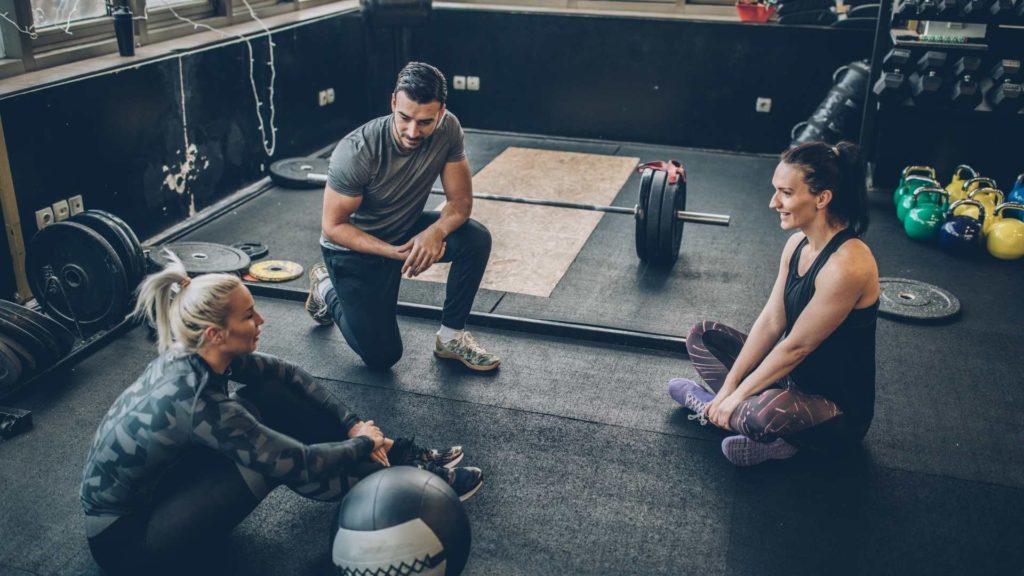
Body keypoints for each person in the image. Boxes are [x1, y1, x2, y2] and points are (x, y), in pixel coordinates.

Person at [80, 254, 483, 575]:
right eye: (248, 316)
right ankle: (402, 479)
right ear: (215, 334)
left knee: (272, 393)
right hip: (128, 540)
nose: (261, 320)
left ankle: (396, 456)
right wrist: (361, 444)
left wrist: (353, 424)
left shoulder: (194, 353)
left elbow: (286, 374)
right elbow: (300, 463)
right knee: (271, 464)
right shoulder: (197, 400)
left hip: (163, 484)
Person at [668, 141, 879, 466]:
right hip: (790, 379)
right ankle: (724, 408)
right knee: (703, 335)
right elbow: (771, 322)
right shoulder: (797, 244)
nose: (773, 202)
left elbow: (796, 347)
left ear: (822, 198)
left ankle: (738, 418)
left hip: (835, 412)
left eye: (786, 193)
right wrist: (730, 388)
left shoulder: (848, 265)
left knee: (765, 411)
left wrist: (737, 394)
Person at [306, 61, 500, 372]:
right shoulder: (357, 151)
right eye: (405, 118)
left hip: (404, 230)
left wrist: (433, 233)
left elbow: (461, 202)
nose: (413, 131)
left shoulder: (448, 129)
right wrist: (394, 253)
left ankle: (450, 338)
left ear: (440, 112)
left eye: (425, 122)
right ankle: (326, 288)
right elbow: (333, 227)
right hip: (353, 252)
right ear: (394, 102)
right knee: (382, 357)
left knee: (475, 239)